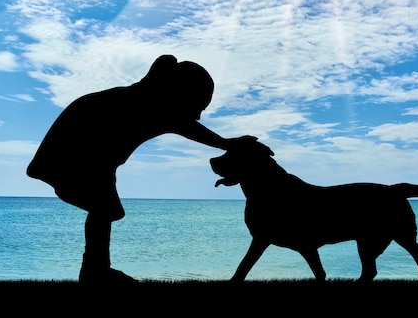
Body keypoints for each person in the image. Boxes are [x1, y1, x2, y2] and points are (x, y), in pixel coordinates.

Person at [27, 54, 262, 284]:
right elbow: (191, 127)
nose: (199, 115)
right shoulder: (154, 105)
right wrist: (228, 143)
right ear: (182, 94)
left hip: (92, 158)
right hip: (74, 153)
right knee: (104, 209)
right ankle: (95, 271)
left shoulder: (153, 102)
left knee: (105, 210)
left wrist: (228, 142)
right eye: (199, 106)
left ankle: (96, 269)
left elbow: (190, 126)